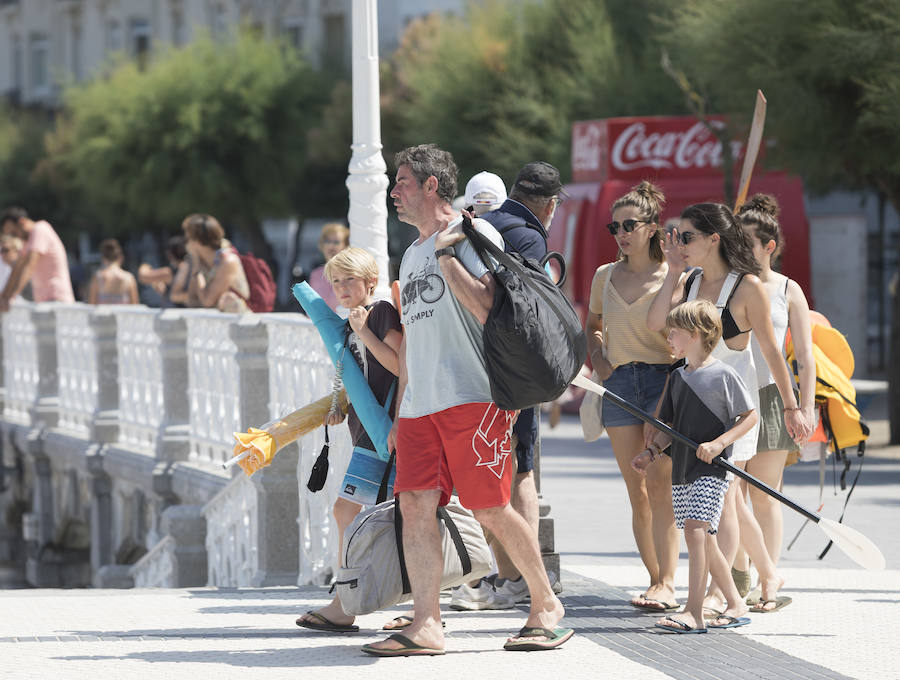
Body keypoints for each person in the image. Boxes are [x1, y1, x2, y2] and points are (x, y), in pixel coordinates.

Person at [361, 144, 571, 657]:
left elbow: (487, 306)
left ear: (432, 185)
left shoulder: (476, 233)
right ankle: (427, 623)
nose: (394, 190)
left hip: (473, 398)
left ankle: (545, 605)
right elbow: (413, 338)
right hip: (419, 407)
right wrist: (400, 407)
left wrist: (447, 252)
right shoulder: (410, 254)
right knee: (414, 506)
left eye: (403, 180)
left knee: (489, 506)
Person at [646, 202, 811, 615]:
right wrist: (669, 273)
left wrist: (793, 408)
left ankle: (722, 595)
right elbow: (656, 326)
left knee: (726, 498)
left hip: (736, 413)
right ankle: (768, 575)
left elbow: (773, 354)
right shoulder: (688, 280)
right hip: (694, 409)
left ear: (713, 239)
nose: (679, 244)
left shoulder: (748, 287)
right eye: (678, 237)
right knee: (732, 500)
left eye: (687, 237)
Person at [451, 162, 567, 612]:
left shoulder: (472, 227)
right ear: (551, 205)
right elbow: (527, 308)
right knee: (521, 474)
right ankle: (520, 578)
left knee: (480, 475)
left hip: (469, 370)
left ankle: (483, 578)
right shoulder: (528, 235)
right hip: (510, 374)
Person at [295, 247, 403, 633]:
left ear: (370, 282)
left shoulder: (381, 313)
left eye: (349, 280)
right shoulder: (352, 321)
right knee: (399, 517)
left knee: (350, 512)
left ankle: (346, 602)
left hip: (385, 434)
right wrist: (340, 405)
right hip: (369, 433)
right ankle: (375, 599)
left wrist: (362, 332)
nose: (340, 288)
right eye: (335, 281)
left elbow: (398, 364)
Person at [633, 299, 756, 633]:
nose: (668, 338)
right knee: (705, 539)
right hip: (683, 469)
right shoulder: (677, 378)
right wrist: (653, 451)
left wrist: (719, 443)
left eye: (674, 332)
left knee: (696, 532)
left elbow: (750, 416)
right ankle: (735, 602)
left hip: (712, 470)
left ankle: (694, 612)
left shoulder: (723, 375)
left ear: (697, 334)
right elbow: (670, 430)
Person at [585, 181, 679, 612]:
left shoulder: (674, 276)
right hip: (619, 385)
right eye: (614, 226)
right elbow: (592, 325)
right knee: (636, 489)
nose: (620, 233)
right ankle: (654, 578)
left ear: (652, 228)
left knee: (661, 486)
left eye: (629, 225)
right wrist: (600, 361)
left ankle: (669, 582)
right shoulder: (605, 275)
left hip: (663, 384)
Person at [737, 194, 816, 612]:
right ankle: (743, 578)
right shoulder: (728, 283)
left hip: (771, 397)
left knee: (763, 495)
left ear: (770, 246)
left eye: (748, 242)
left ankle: (769, 583)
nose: (741, 250)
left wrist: (806, 407)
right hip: (731, 396)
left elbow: (804, 355)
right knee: (732, 493)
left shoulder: (788, 289)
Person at [0, 206, 75, 310]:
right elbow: (17, 269)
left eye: (14, 232)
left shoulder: (40, 229)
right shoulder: (27, 241)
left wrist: (10, 298)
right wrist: (3, 297)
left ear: (22, 222)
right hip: (44, 301)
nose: (15, 237)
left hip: (56, 299)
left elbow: (29, 266)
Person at [181, 214, 250, 313]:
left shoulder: (228, 261)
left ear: (198, 240)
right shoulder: (203, 262)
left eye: (188, 238)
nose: (186, 243)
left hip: (239, 325)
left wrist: (196, 263)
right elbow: (192, 300)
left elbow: (207, 301)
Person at [137, 235, 191, 308]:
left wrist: (145, 265)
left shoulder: (171, 272)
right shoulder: (191, 268)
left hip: (174, 315)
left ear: (170, 254)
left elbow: (143, 277)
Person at [308, 223, 350, 312]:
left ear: (346, 246)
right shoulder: (315, 274)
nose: (331, 246)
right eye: (327, 242)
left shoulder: (352, 273)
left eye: (336, 242)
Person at [88, 239, 139, 305]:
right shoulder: (129, 278)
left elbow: (91, 304)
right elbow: (135, 306)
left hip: (103, 315)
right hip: (123, 315)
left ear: (103, 258)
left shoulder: (98, 277)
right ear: (121, 258)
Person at [0, 235, 27, 302]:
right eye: (1, 251)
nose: (2, 254)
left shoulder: (24, 268)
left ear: (17, 251)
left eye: (5, 250)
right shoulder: (8, 268)